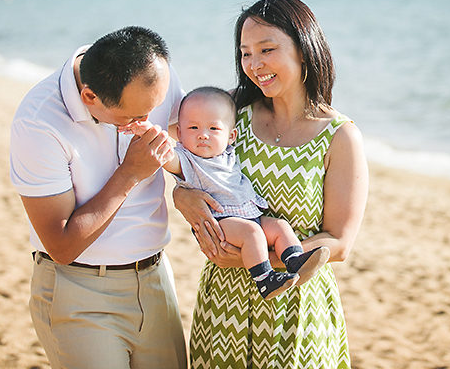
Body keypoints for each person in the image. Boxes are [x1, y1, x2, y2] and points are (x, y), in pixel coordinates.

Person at [174, 0, 369, 368]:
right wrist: (181, 197)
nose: (254, 64)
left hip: (294, 309)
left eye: (267, 49)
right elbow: (184, 156)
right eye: (245, 53)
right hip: (224, 306)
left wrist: (253, 259)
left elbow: (340, 242)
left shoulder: (340, 136)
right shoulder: (231, 113)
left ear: (304, 49)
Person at [9, 26, 187, 369]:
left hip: (156, 280)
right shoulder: (38, 122)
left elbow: (192, 141)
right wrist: (129, 173)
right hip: (79, 292)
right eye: (133, 117)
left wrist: (186, 190)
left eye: (155, 108)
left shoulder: (151, 77)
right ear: (90, 97)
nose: (148, 122)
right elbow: (61, 247)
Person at [123, 86, 331, 301]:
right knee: (252, 233)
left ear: (231, 136)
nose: (203, 135)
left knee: (279, 226)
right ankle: (265, 279)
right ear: (181, 135)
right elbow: (166, 156)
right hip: (222, 221)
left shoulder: (228, 154)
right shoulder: (187, 160)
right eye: (193, 128)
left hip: (249, 214)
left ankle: (295, 261)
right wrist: (147, 130)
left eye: (213, 128)